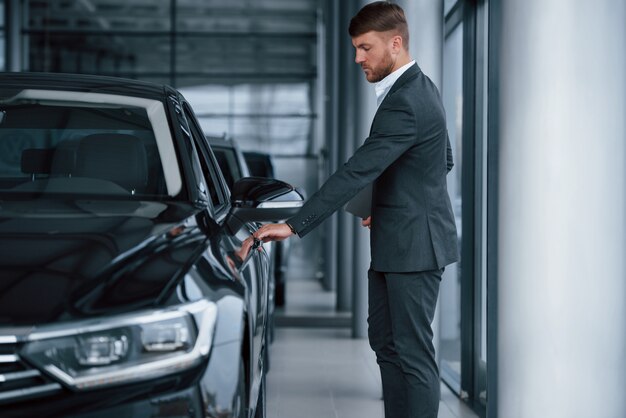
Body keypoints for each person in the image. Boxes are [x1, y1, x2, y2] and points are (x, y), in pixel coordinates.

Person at [252, 2, 458, 417]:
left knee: (412, 355)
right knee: (385, 342)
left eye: (365, 48)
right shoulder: (417, 88)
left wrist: (293, 226)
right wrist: (385, 206)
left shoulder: (407, 100)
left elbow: (356, 170)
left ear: (395, 44)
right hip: (397, 238)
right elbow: (442, 159)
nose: (357, 58)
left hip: (415, 247)